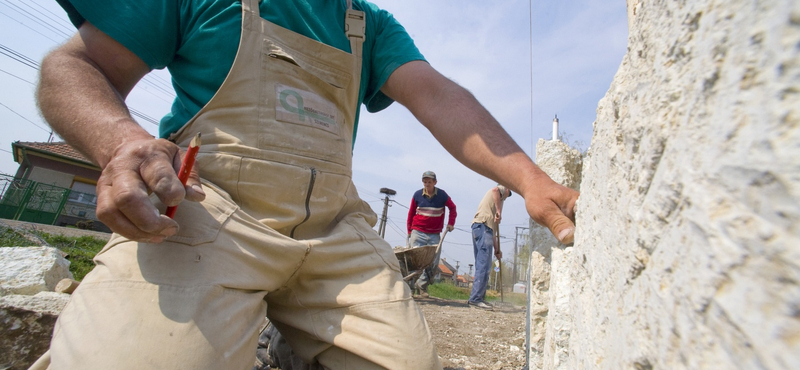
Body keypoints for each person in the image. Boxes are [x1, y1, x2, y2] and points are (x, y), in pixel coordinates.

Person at [33, 0, 578, 368]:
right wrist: (119, 141)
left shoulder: (364, 22)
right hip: (206, 210)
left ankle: (294, 345)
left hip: (332, 232)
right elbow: (75, 66)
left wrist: (530, 179)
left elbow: (437, 95)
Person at [406, 170, 457, 297]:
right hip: (418, 231)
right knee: (414, 260)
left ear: (435, 182)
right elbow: (411, 213)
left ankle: (422, 286)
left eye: (429, 182)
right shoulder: (417, 195)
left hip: (434, 234)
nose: (427, 184)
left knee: (433, 262)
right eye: (425, 182)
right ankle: (409, 288)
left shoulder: (442, 195)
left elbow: (453, 208)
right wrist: (409, 231)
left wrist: (451, 223)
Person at [468, 185, 512, 310]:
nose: (506, 198)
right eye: (508, 195)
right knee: (483, 264)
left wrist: (497, 249)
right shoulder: (501, 189)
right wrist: (499, 211)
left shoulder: (492, 208)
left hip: (482, 228)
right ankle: (475, 299)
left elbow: (492, 233)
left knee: (484, 264)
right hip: (483, 227)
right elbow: (495, 190)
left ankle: (479, 298)